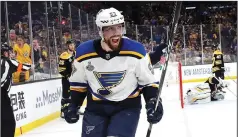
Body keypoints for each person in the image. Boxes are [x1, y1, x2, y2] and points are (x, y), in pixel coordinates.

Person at [63, 7, 163, 137]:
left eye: (118, 27)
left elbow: (148, 82)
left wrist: (153, 101)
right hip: (96, 107)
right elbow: (79, 84)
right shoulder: (83, 53)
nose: (116, 32)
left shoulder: (136, 51)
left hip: (127, 106)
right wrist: (74, 105)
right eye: (109, 28)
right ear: (100, 31)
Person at [1, 43, 31, 137]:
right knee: (8, 122)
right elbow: (26, 66)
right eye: (9, 52)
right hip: (2, 95)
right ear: (5, 53)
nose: (10, 53)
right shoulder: (8, 62)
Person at [58, 39, 75, 118]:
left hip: (75, 78)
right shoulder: (64, 55)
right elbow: (61, 69)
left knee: (74, 95)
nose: (72, 46)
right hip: (66, 79)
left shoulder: (75, 54)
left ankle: (73, 110)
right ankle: (63, 111)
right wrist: (67, 76)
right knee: (66, 95)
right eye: (71, 45)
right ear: (67, 46)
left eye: (73, 45)